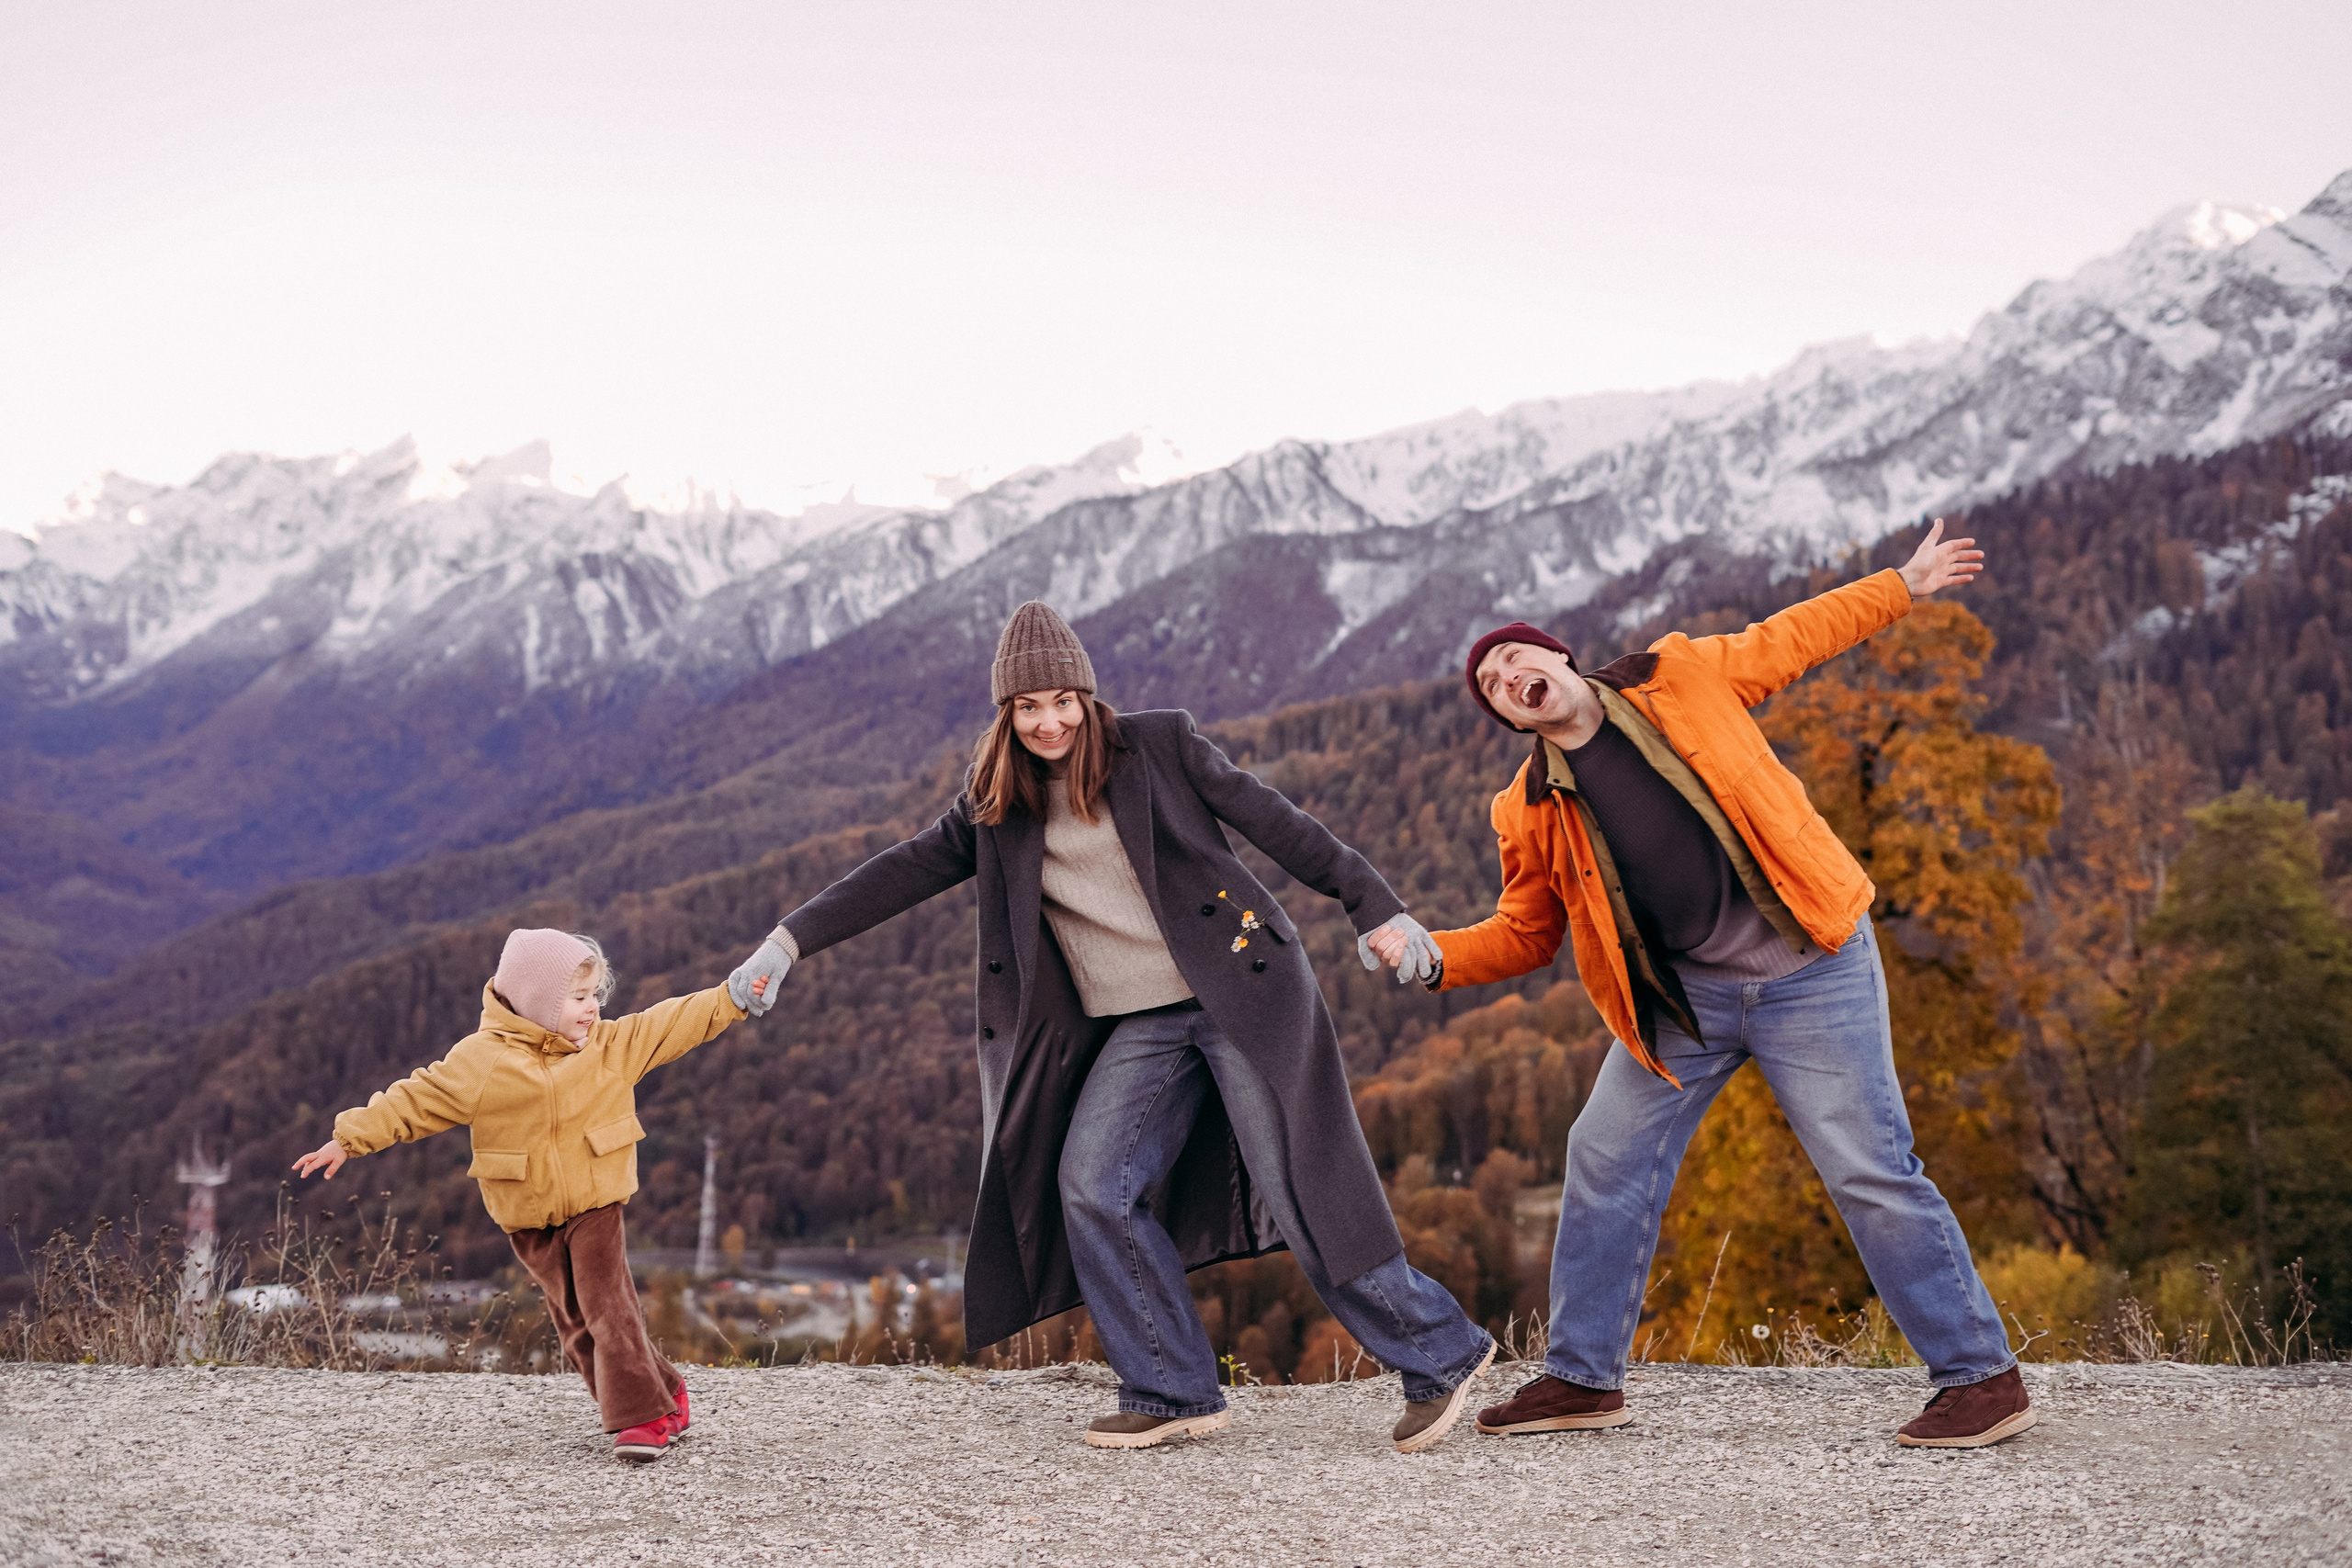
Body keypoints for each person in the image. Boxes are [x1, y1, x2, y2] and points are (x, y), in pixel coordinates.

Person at [726, 601, 1495, 1452]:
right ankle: (1169, 1386)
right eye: (1027, 706)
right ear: (1005, 715)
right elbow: (893, 873)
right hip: (1144, 1021)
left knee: (1300, 1181)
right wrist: (786, 941)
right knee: (1092, 1181)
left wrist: (1375, 905)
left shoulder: (1159, 746)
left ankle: (1442, 1352)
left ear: (1087, 697)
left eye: (1061, 699)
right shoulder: (994, 804)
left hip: (1243, 991)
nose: (1048, 721)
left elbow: (1281, 825)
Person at [1369, 521, 2036, 1449]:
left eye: (1514, 658)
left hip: (1812, 970)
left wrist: (1904, 584)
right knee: (1602, 1155)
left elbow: (1792, 634)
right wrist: (1434, 954)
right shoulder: (1524, 808)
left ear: (1560, 662)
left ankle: (1978, 1378)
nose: (1505, 677)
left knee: (1869, 1169)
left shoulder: (1677, 676)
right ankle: (1581, 1378)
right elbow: (1526, 934)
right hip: (1682, 1005)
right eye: (1491, 687)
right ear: (1515, 719)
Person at [293, 927, 759, 1463]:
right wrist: (348, 1140)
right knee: (576, 1321)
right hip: (528, 1216)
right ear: (538, 1001)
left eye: (595, 996)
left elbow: (676, 1021)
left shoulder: (611, 1047)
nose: (592, 1009)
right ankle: (664, 1394)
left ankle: (643, 1418)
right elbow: (414, 1100)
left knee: (607, 1307)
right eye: (579, 998)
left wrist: (733, 996)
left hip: (595, 1201)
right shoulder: (481, 1061)